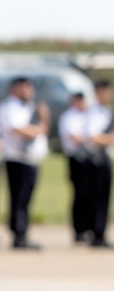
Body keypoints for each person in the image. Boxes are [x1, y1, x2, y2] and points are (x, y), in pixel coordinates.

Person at [0, 77, 49, 250]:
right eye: (24, 88)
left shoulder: (30, 107)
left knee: (26, 199)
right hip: (17, 159)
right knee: (18, 198)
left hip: (31, 159)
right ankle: (18, 234)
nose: (28, 92)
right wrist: (39, 128)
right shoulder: (10, 107)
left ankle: (23, 232)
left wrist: (43, 120)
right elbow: (19, 130)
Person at [83, 81, 114, 248]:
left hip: (105, 158)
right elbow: (93, 137)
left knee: (104, 198)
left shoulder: (107, 112)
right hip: (95, 160)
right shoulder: (93, 112)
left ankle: (100, 231)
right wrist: (110, 139)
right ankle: (95, 232)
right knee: (96, 198)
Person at [58, 92, 91, 243]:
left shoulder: (87, 116)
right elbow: (75, 137)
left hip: (89, 159)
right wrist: (93, 139)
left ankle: (89, 228)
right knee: (80, 194)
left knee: (91, 195)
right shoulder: (69, 117)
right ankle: (79, 230)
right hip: (76, 159)